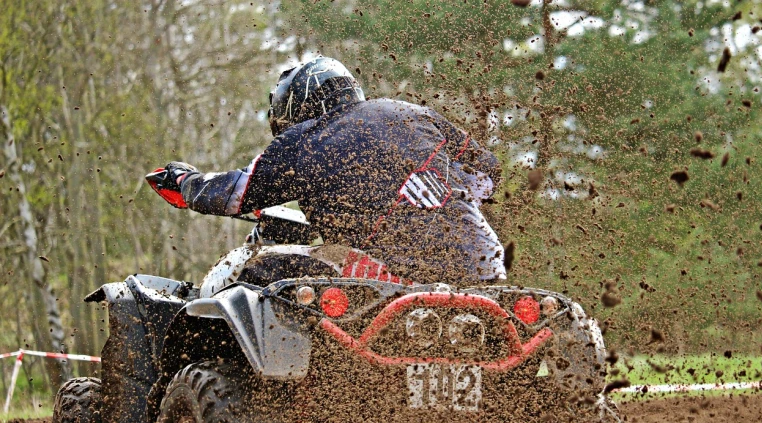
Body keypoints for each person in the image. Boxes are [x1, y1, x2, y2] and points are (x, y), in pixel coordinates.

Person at [157, 57, 506, 284]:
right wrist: (430, 196)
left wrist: (186, 181)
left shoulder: (305, 139)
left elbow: (233, 195)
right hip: (485, 266)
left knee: (257, 272)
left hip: (396, 279)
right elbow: (489, 176)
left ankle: (283, 391)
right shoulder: (411, 112)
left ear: (298, 104)